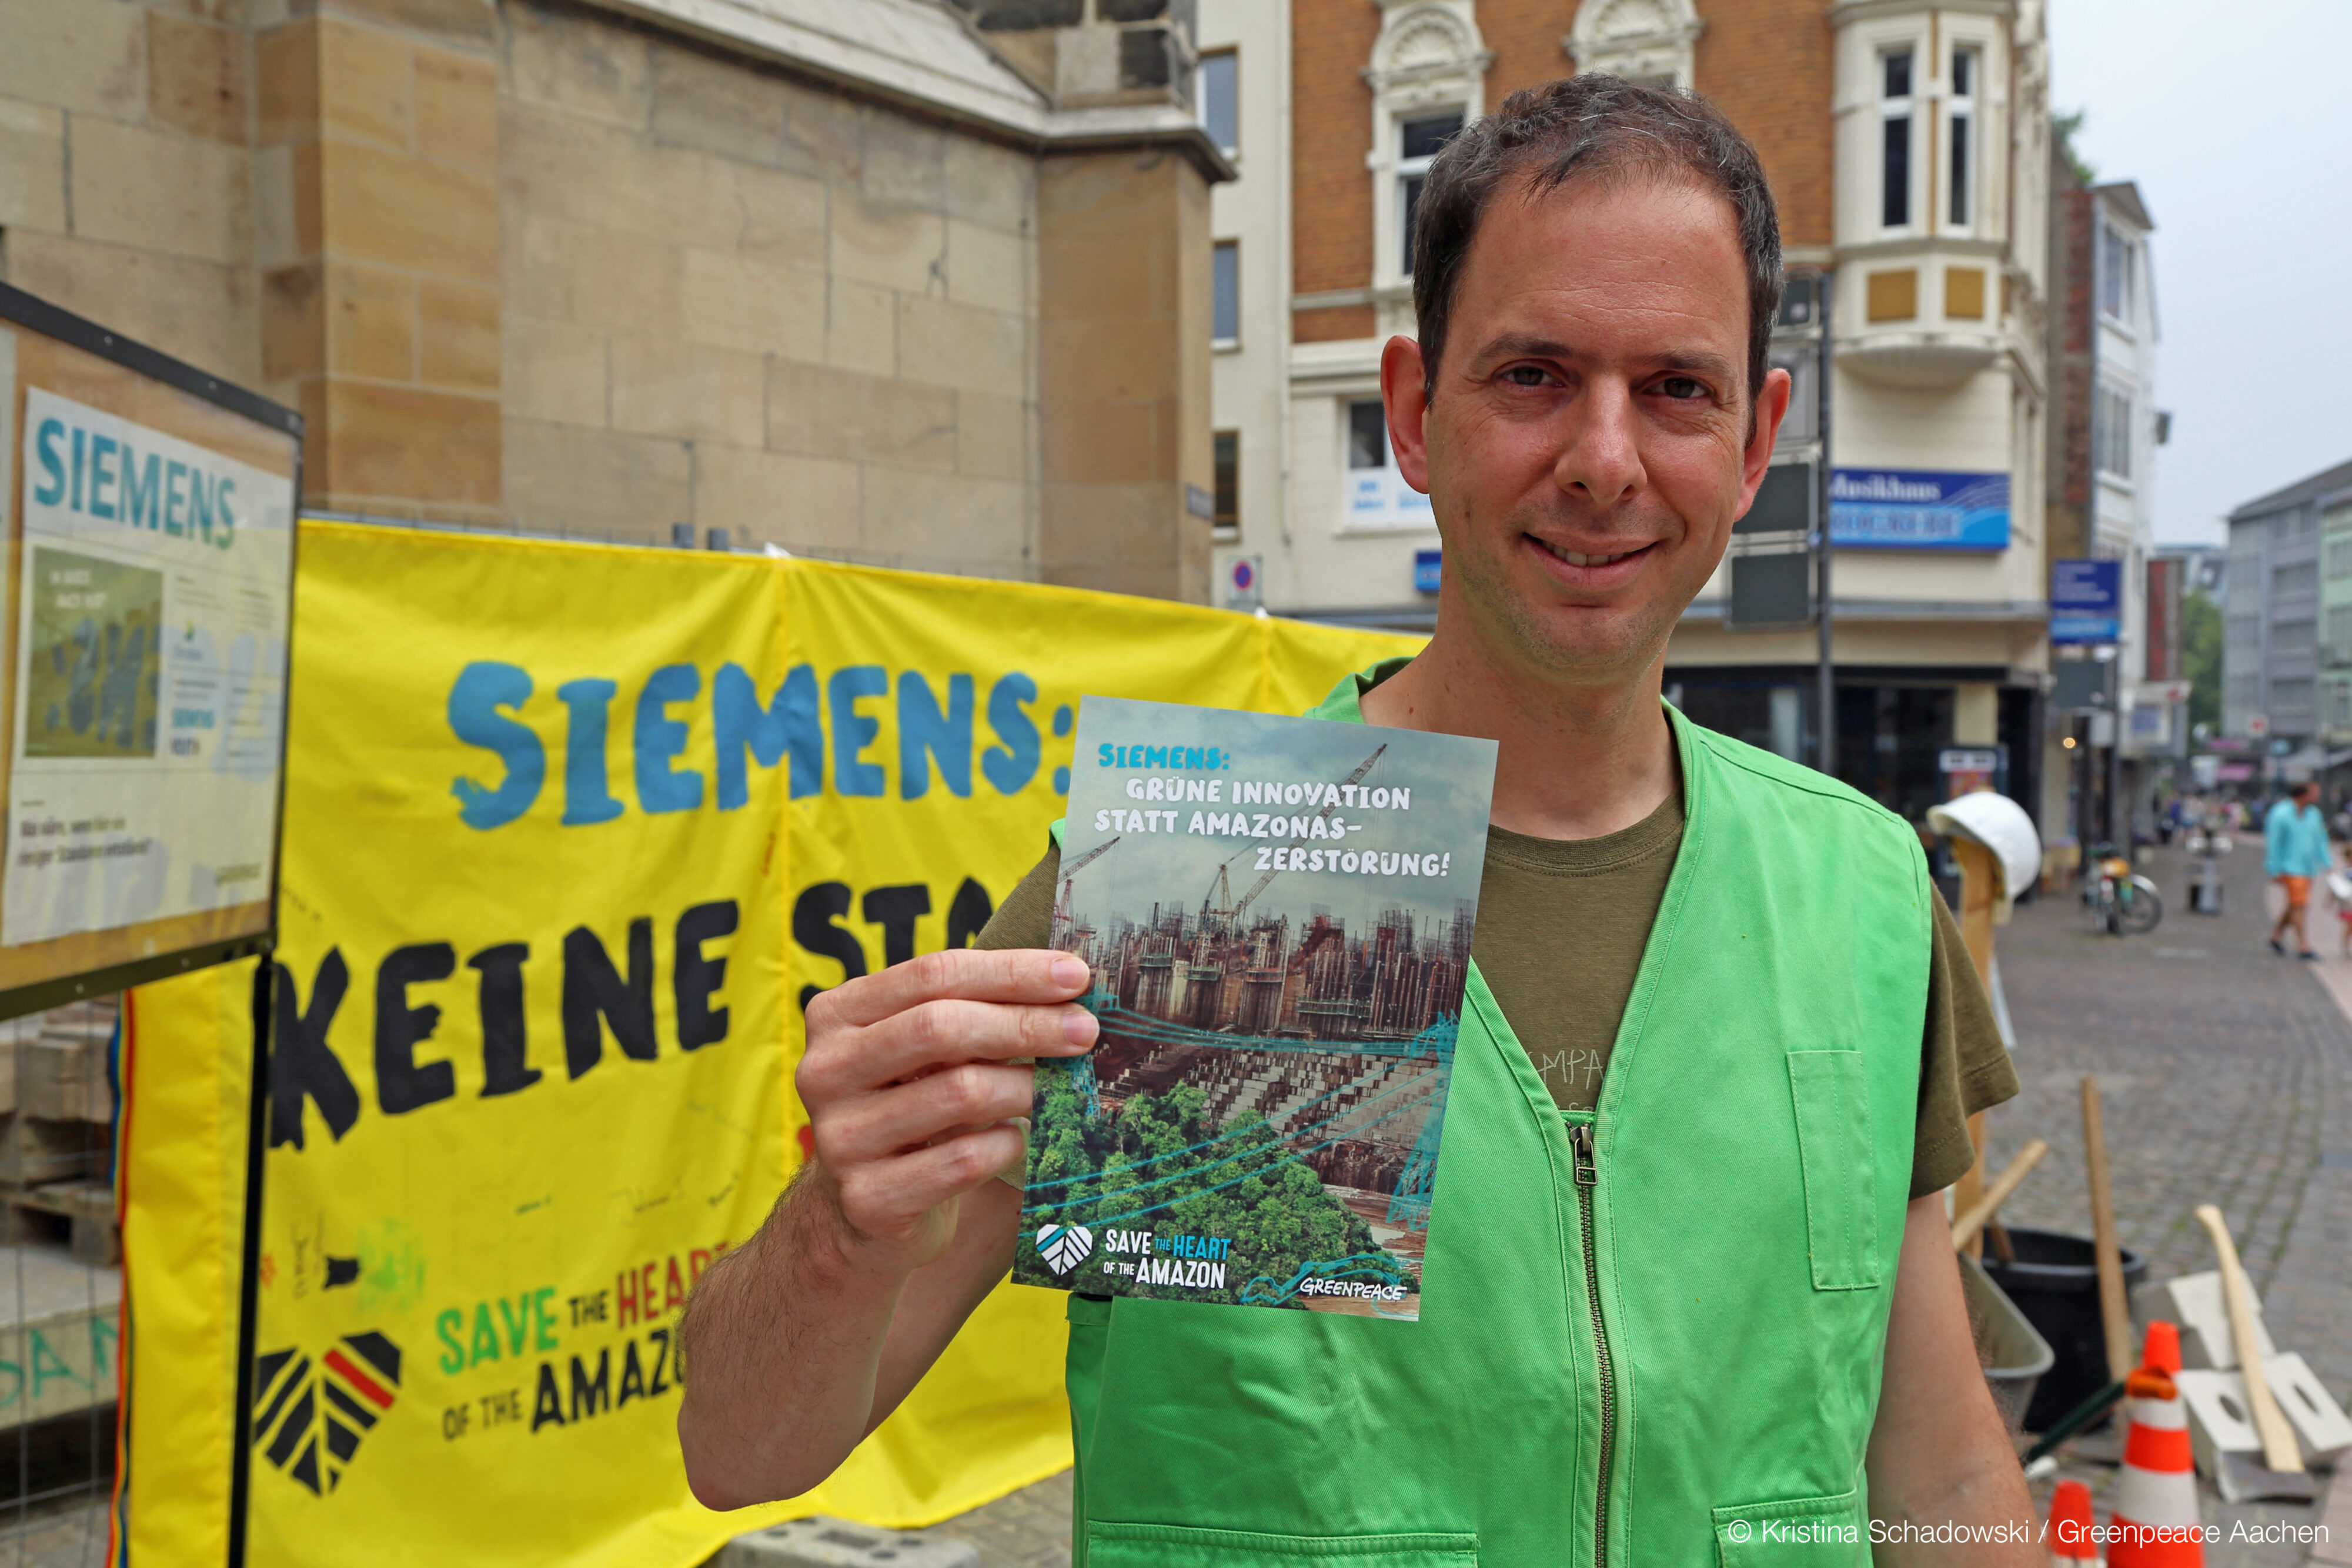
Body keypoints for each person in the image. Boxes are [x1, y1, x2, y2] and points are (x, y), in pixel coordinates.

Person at [678, 78, 2033, 1564]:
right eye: (1530, 376)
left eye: (1675, 388)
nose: (1602, 457)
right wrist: (841, 1228)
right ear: (1411, 412)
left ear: (1756, 436)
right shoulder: (1199, 887)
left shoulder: (1859, 895)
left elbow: (1942, 1470)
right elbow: (743, 1452)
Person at [2267, 780, 2333, 958]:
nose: (2317, 797)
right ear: (2303, 794)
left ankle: (2276, 936)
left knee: (2295, 904)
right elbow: (2274, 843)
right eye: (2314, 793)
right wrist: (2275, 869)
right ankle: (2303, 945)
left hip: (2308, 867)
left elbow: (2321, 839)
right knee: (2299, 905)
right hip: (2290, 867)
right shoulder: (2281, 814)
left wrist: (2327, 863)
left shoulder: (2314, 814)